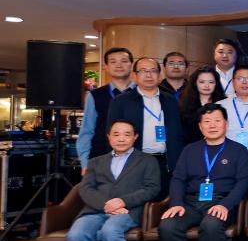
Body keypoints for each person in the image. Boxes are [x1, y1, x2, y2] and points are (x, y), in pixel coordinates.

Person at [63, 120, 160, 241]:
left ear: (135, 137)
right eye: (116, 134)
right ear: (108, 137)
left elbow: (152, 188)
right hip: (95, 210)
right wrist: (107, 205)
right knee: (76, 235)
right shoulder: (95, 162)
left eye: (127, 134)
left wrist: (123, 201)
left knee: (110, 230)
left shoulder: (147, 161)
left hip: (128, 210)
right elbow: (85, 189)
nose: (121, 139)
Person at [159, 104, 248, 241]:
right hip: (190, 203)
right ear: (200, 126)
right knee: (167, 226)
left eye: (217, 120)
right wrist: (176, 203)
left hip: (221, 202)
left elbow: (244, 182)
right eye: (207, 122)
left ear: (226, 124)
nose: (212, 125)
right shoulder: (190, 150)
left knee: (211, 224)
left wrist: (226, 204)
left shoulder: (238, 150)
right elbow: (178, 179)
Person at [108, 57, 184, 197]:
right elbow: (112, 133)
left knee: (161, 202)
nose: (149, 75)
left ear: (159, 75)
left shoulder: (170, 100)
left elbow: (178, 133)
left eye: (153, 71)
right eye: (143, 71)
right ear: (135, 75)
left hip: (164, 162)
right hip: (133, 162)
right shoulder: (121, 101)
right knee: (133, 201)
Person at [77, 46, 134, 170]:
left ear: (131, 65)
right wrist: (85, 163)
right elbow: (87, 131)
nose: (119, 65)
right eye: (113, 62)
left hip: (135, 161)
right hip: (101, 158)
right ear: (106, 67)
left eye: (124, 61)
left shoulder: (141, 93)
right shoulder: (95, 95)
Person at [179, 66, 226, 145]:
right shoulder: (185, 105)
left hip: (220, 146)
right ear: (195, 83)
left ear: (216, 84)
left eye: (211, 82)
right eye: (202, 82)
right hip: (192, 147)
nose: (207, 85)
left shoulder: (224, 104)